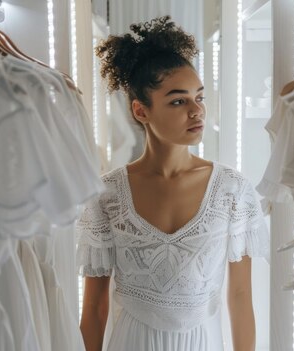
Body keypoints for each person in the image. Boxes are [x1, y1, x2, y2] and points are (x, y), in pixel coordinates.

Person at [76, 16, 269, 351]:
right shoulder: (105, 196)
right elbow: (94, 308)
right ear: (141, 111)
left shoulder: (232, 191)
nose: (197, 111)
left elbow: (239, 298)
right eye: (179, 101)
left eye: (200, 97)